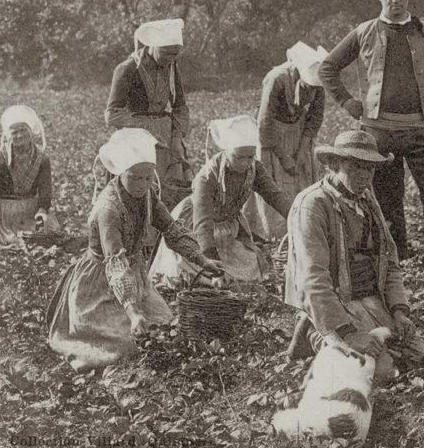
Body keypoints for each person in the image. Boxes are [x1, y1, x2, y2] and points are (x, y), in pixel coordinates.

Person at [318, 0, 424, 259]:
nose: (395, 0)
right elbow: (328, 68)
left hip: (423, 128)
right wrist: (349, 103)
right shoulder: (364, 32)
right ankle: (395, 256)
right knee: (386, 198)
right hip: (379, 130)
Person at [47, 128, 224, 372]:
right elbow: (115, 265)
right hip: (99, 284)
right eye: (135, 178)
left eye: (148, 177)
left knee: (165, 327)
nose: (142, 184)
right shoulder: (108, 209)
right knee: (128, 342)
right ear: (121, 173)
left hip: (136, 278)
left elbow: (172, 230)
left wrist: (202, 260)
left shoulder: (148, 195)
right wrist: (132, 313)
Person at [284, 130, 424, 380]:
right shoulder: (313, 205)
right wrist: (349, 333)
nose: (364, 175)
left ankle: (344, 335)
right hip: (335, 304)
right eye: (355, 166)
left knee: (423, 357)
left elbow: (390, 261)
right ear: (333, 164)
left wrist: (399, 311)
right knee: (381, 372)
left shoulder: (366, 200)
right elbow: (313, 280)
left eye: (370, 169)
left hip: (370, 299)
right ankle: (313, 333)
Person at [149, 115, 293, 287]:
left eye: (250, 156)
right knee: (188, 270)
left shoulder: (255, 169)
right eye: (239, 157)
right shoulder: (208, 177)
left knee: (250, 268)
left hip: (227, 228)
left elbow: (274, 195)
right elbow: (203, 222)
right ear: (226, 150)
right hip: (195, 226)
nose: (246, 162)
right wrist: (212, 265)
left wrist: (295, 214)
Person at [105, 18, 192, 210]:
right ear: (152, 46)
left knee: (172, 193)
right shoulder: (127, 69)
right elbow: (112, 114)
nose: (170, 58)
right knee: (137, 191)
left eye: (175, 54)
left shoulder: (172, 67)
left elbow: (180, 107)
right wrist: (146, 129)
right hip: (135, 137)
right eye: (165, 53)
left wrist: (177, 138)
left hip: (167, 137)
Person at [243, 42, 326, 241]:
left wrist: (302, 151)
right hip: (272, 136)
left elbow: (315, 118)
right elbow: (265, 122)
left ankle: (302, 225)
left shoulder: (319, 83)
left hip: (298, 133)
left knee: (301, 178)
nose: (311, 90)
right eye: (307, 85)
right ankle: (272, 232)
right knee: (273, 181)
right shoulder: (277, 79)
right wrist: (285, 157)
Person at [0, 105, 60, 242]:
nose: (19, 135)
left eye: (23, 130)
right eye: (14, 132)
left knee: (46, 236)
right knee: (11, 241)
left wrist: (42, 212)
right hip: (6, 212)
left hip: (32, 211)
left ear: (31, 131)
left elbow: (45, 192)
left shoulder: (42, 159)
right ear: (8, 136)